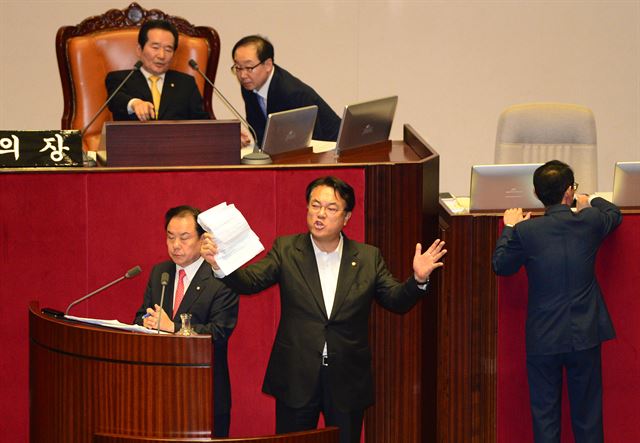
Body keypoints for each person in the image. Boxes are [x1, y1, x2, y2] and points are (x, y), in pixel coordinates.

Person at [200, 176, 446, 443]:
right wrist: (218, 265)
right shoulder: (287, 250)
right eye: (315, 205)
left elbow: (396, 301)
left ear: (346, 217)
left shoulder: (367, 257)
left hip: (346, 379)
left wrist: (418, 280)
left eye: (330, 208)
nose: (320, 214)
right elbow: (249, 283)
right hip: (297, 374)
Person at [492, 160, 622, 443]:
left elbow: (501, 265)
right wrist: (589, 200)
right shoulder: (589, 222)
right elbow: (614, 213)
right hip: (585, 334)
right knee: (588, 420)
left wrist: (510, 227)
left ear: (537, 195)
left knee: (545, 419)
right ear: (569, 191)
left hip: (544, 337)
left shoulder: (526, 233)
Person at [133, 205, 238, 437]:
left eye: (184, 237)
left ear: (203, 239)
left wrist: (174, 328)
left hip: (203, 393)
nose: (175, 245)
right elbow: (141, 316)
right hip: (158, 391)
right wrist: (146, 322)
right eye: (170, 237)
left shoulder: (221, 278)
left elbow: (219, 332)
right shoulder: (161, 272)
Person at [231, 35, 341, 147]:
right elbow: (260, 132)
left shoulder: (291, 93)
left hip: (332, 149)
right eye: (238, 67)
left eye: (249, 67)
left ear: (268, 65)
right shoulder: (250, 85)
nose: (243, 75)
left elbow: (311, 142)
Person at [106, 20, 209, 122]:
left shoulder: (186, 83)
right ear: (139, 49)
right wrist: (134, 103)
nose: (161, 56)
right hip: (133, 138)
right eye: (155, 47)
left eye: (168, 49)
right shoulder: (120, 79)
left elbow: (201, 122)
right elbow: (114, 100)